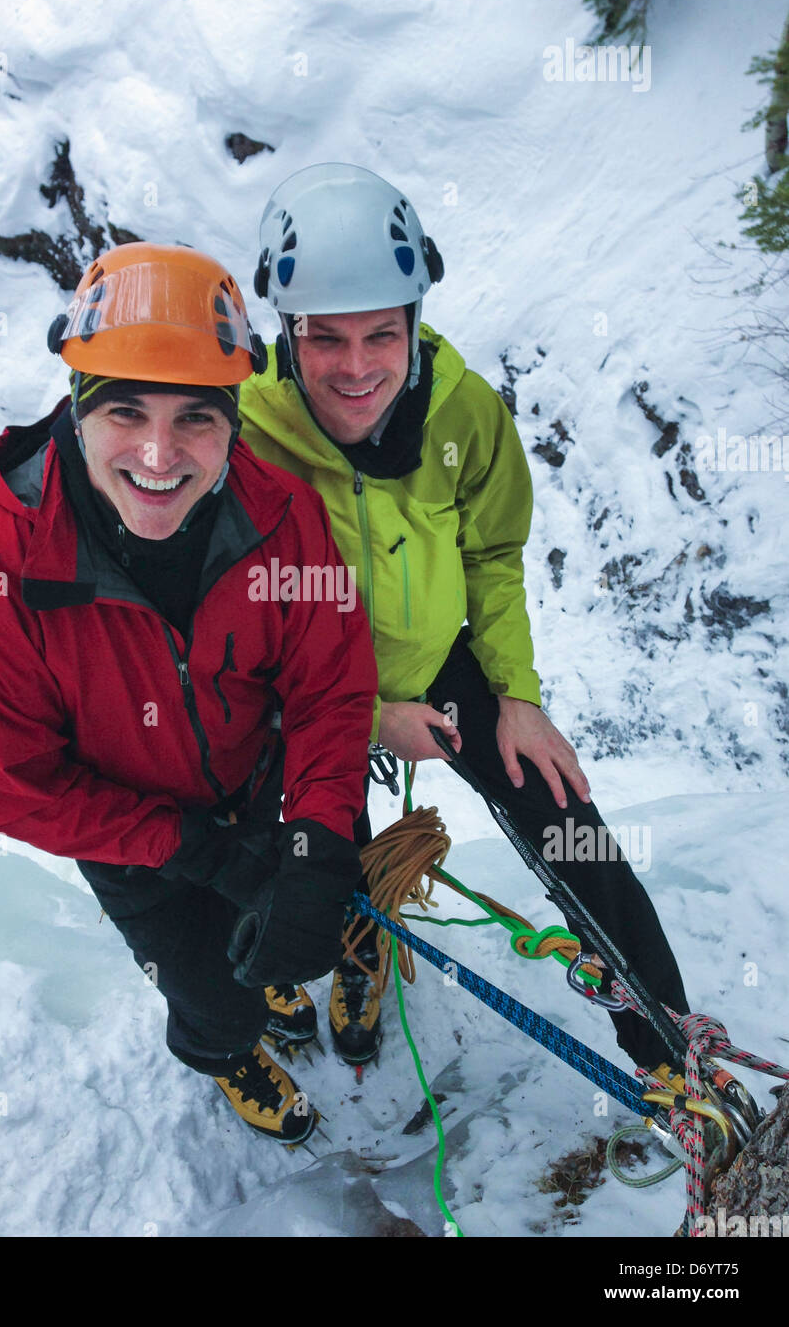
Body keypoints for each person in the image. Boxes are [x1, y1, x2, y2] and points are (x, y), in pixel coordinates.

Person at [239, 163, 690, 1081]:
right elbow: (224, 612)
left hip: (440, 658)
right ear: (287, 332)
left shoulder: (464, 411)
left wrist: (515, 695)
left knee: (573, 831)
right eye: (325, 339)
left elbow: (490, 553)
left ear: (414, 324)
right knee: (309, 849)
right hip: (303, 681)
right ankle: (340, 957)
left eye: (381, 335)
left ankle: (672, 1059)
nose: (356, 367)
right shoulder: (246, 429)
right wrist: (365, 719)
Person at [0, 241, 378, 1146]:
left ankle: (273, 972)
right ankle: (230, 1051)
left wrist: (317, 836)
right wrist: (193, 851)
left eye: (197, 420)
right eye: (126, 411)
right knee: (213, 997)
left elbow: (329, 685)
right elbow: (24, 788)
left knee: (291, 920)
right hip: (128, 841)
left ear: (234, 421)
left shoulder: (283, 518)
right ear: (78, 409)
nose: (160, 454)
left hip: (264, 789)